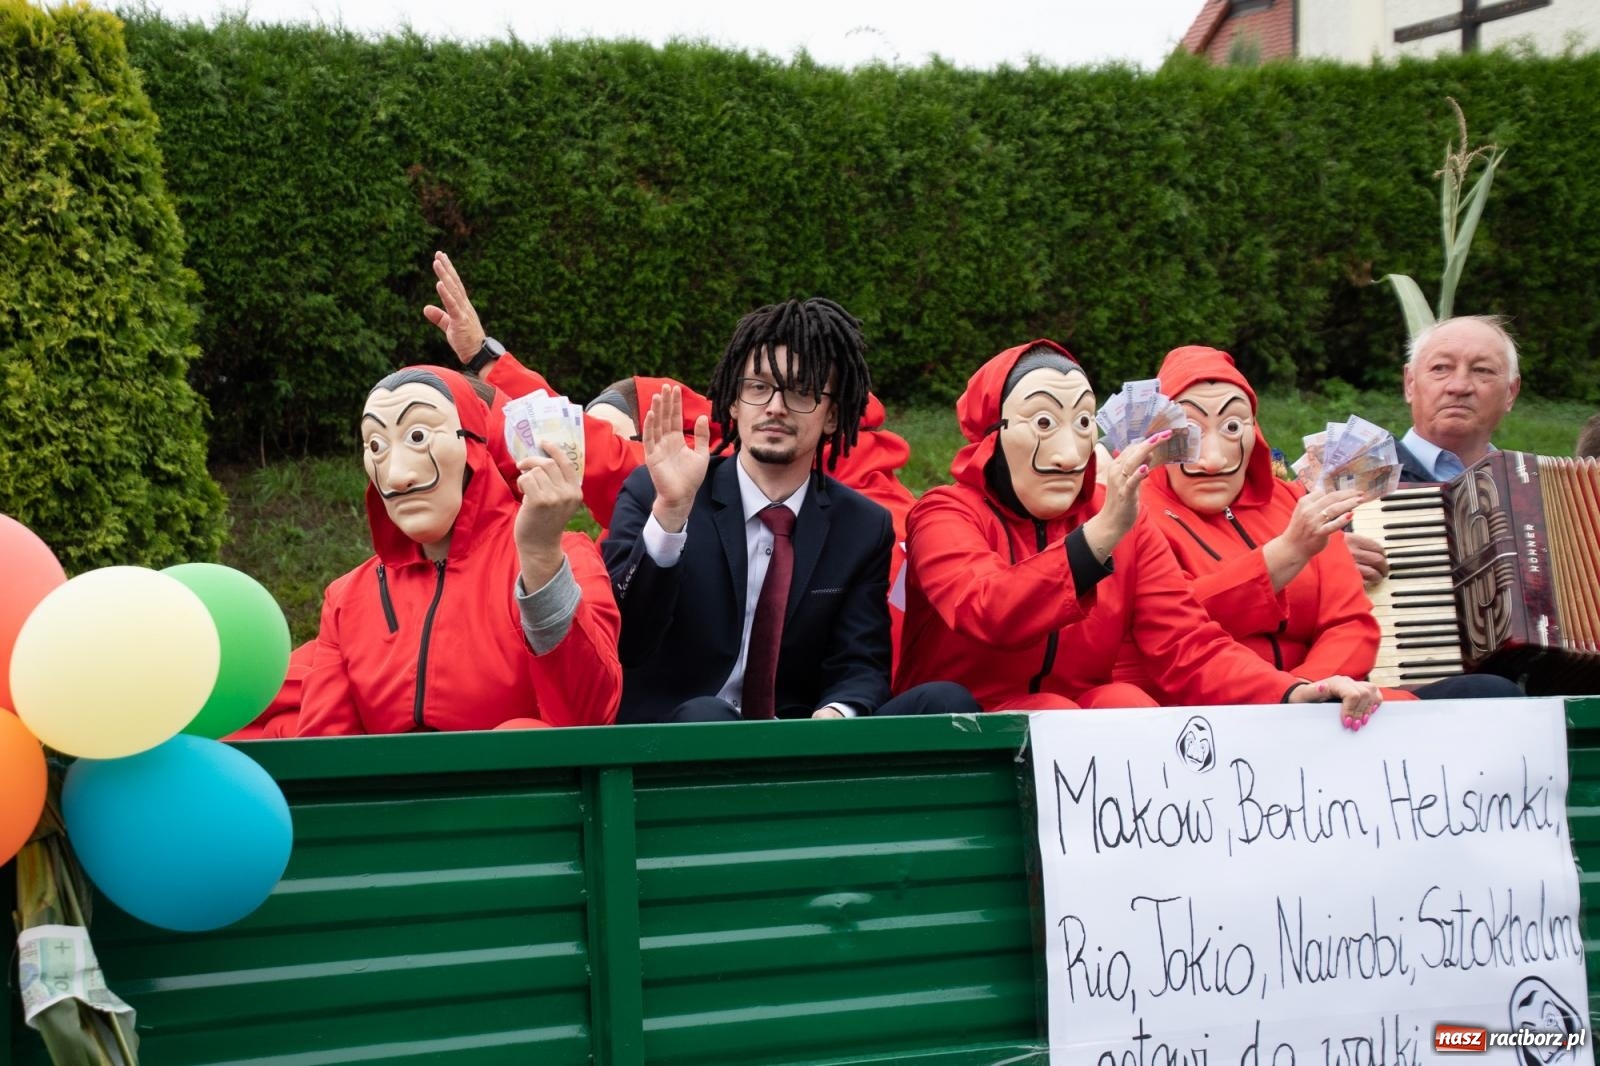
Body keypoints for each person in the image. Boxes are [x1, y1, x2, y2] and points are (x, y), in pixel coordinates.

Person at [894, 339, 1383, 728]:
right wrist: (1100, 535)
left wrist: (1292, 692)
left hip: (1079, 715)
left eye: (1083, 421)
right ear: (992, 433)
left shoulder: (1130, 518)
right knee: (1069, 713)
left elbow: (1187, 643)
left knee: (1125, 708)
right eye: (1044, 421)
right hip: (962, 721)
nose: (1067, 452)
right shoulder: (946, 512)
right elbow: (988, 608)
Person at [601, 297, 976, 723]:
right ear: (734, 403)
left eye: (802, 392)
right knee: (710, 716)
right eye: (759, 387)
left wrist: (836, 713)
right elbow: (626, 641)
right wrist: (671, 514)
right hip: (681, 736)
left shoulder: (862, 526)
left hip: (800, 737)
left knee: (947, 703)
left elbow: (860, 664)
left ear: (832, 417)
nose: (776, 406)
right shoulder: (656, 491)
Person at [1124, 345, 1522, 702]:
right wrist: (1285, 555)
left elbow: (1350, 621)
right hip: (1205, 712)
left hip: (1327, 703)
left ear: (1253, 431)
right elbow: (1171, 626)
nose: (1211, 458)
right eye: (1190, 430)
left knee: (1490, 694)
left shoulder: (1294, 501)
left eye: (1231, 426)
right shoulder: (1131, 513)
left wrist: (1312, 691)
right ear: (1161, 435)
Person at [296, 366, 621, 735]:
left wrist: (541, 561)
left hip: (520, 790)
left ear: (474, 445)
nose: (398, 474)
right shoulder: (347, 598)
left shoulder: (564, 556)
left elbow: (590, 718)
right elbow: (325, 748)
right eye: (376, 445)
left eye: (418, 436)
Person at [1346, 315, 1521, 584]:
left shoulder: (1528, 491)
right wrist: (1321, 562)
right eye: (1441, 368)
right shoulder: (1346, 474)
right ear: (1410, 383)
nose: (1459, 386)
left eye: (1482, 370)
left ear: (1511, 393)